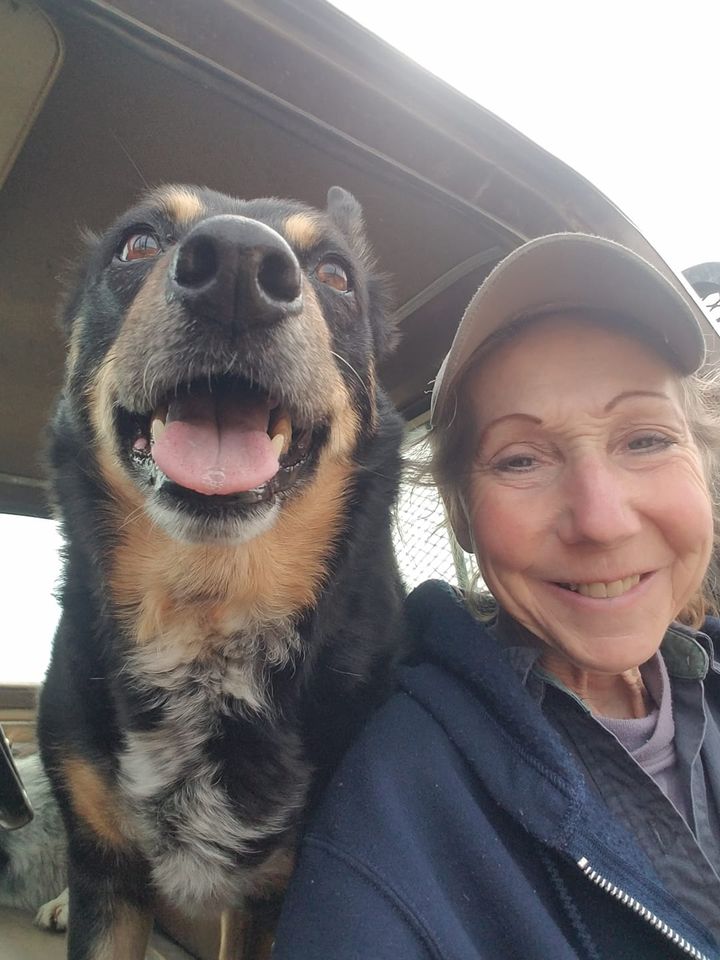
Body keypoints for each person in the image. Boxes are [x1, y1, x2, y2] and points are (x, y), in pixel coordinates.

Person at [272, 234, 720, 960]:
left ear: (704, 463)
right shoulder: (393, 811)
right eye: (520, 458)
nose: (601, 519)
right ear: (461, 515)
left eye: (644, 440)